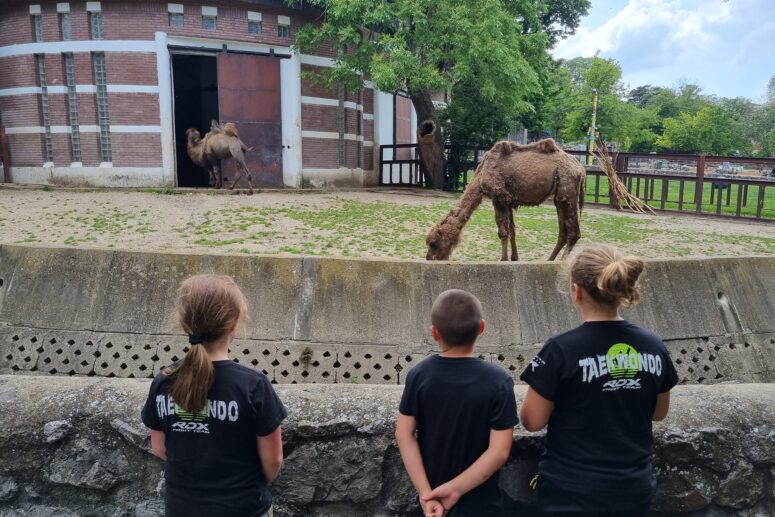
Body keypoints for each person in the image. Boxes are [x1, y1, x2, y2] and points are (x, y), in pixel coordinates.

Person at [520, 244, 678, 516]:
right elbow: (659, 412)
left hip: (569, 490)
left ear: (576, 291)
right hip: (631, 488)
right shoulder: (654, 346)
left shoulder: (560, 349)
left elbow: (532, 421)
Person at [141, 274, 286, 517]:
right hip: (243, 507)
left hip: (182, 508)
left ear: (185, 323)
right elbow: (273, 460)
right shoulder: (253, 385)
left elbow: (160, 449)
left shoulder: (163, 381)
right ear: (233, 324)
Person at [396, 289, 518, 517]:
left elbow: (404, 434)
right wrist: (454, 489)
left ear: (434, 333)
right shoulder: (498, 381)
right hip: (482, 506)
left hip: (432, 503)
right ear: (482, 328)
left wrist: (426, 493)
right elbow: (499, 452)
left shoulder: (419, 375)